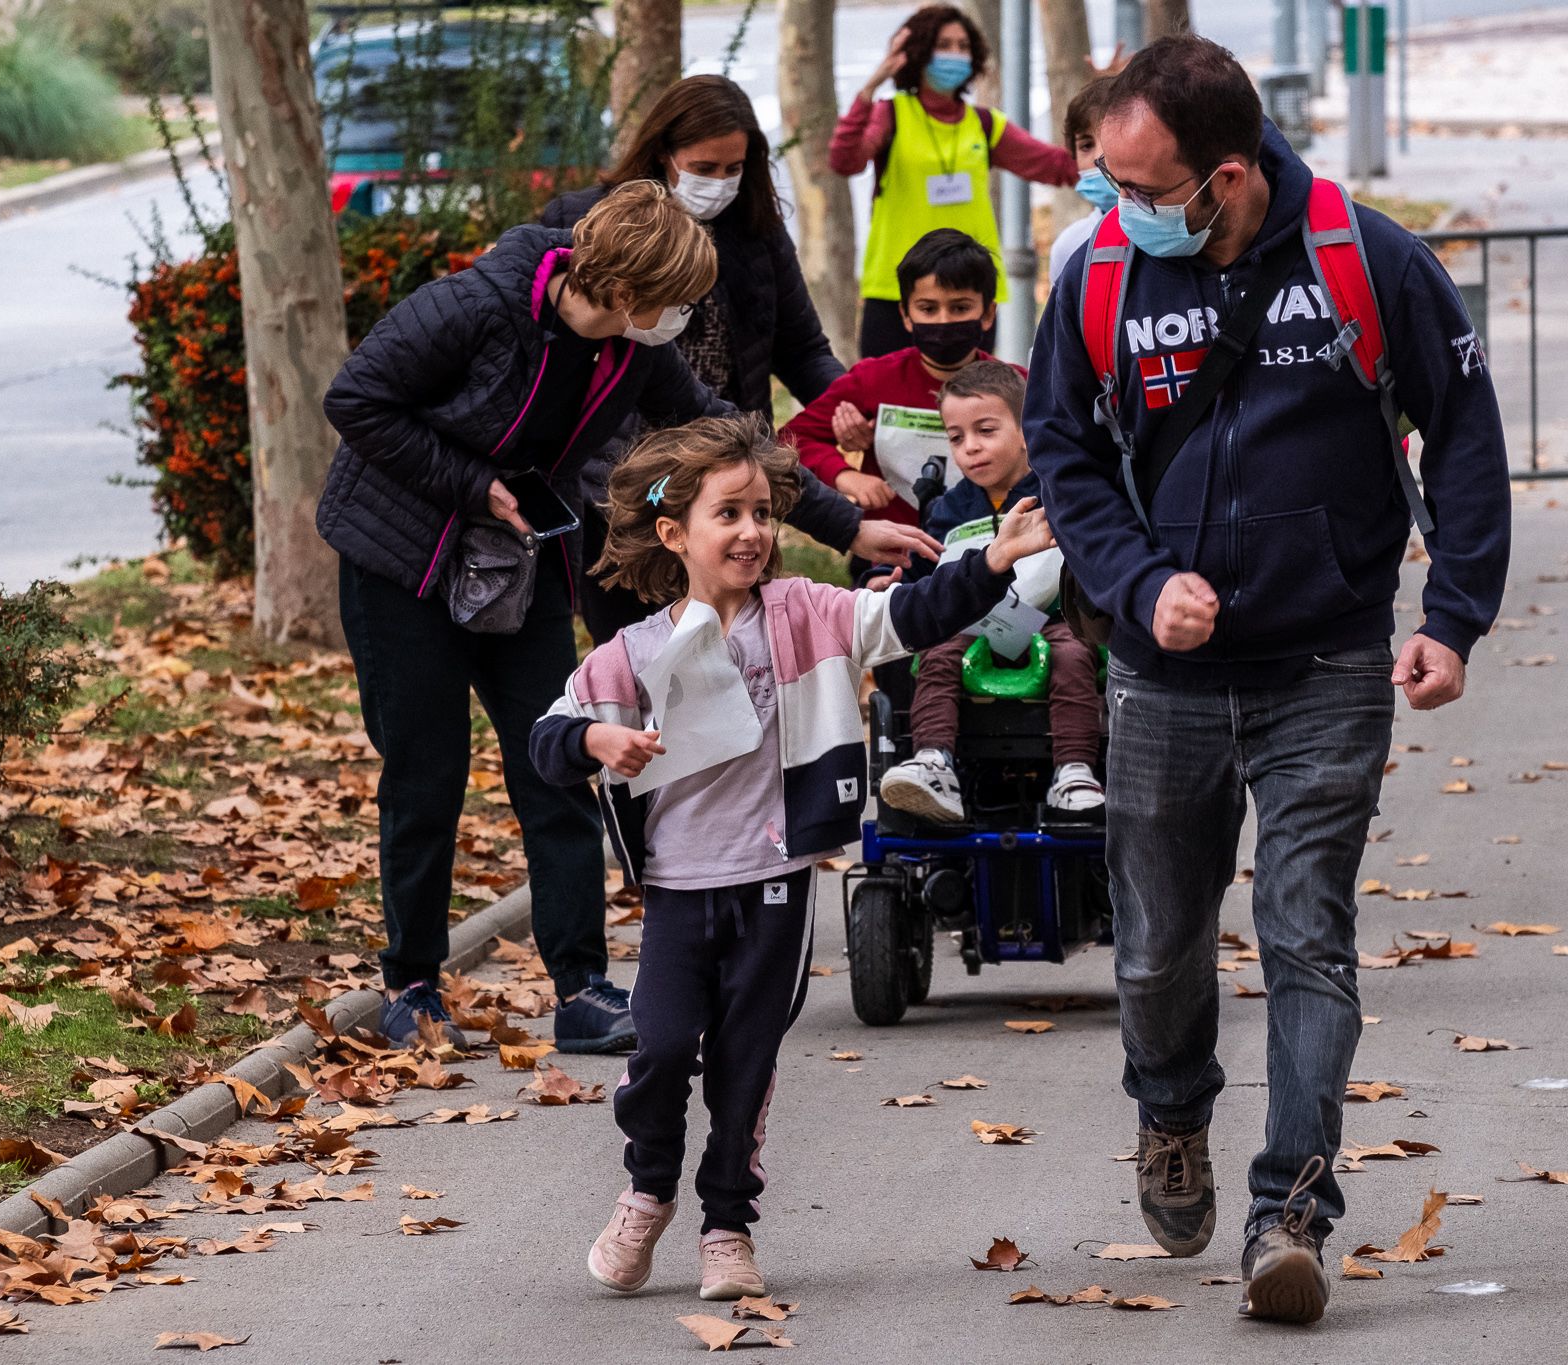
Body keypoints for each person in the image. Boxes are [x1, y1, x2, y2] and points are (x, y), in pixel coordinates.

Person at [1025, 37, 1511, 1324]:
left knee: (1306, 937)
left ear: (1225, 177)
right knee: (1155, 955)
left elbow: (1461, 434)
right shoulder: (1101, 275)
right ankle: (1170, 1110)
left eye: (1139, 183)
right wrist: (1135, 583)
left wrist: (1452, 616)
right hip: (1160, 680)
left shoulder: (1369, 259)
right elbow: (1060, 453)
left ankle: (1287, 1210)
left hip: (1325, 660)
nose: (1114, 205)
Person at [319, 183, 913, 1056]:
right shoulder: (476, 306)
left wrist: (846, 522)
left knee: (563, 758)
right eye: (674, 302)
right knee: (426, 775)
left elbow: (730, 437)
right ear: (628, 295)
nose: (682, 320)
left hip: (516, 565)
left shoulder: (632, 350)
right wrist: (474, 485)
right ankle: (411, 982)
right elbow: (356, 400)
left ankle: (582, 987)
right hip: (402, 562)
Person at [529, 415, 1050, 1300]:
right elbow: (547, 740)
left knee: (746, 1063)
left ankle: (727, 1224)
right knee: (657, 1050)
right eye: (728, 514)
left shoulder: (807, 615)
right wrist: (598, 740)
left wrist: (993, 564)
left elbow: (911, 614)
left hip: (773, 882)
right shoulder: (636, 650)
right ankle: (649, 1188)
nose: (752, 532)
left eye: (763, 513)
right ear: (673, 534)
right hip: (679, 892)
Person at [540, 74, 849, 645]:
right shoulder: (587, 220)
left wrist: (848, 403)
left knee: (736, 651)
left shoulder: (758, 233)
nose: (720, 183)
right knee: (640, 653)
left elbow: (803, 349)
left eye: (734, 169)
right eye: (705, 168)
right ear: (663, 152)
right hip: (624, 488)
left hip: (727, 475)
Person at [875, 361, 1105, 822]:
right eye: (957, 438)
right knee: (937, 653)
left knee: (1074, 657)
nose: (971, 448)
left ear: (1026, 430)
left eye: (985, 430)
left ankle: (1075, 771)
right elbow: (926, 575)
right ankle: (934, 761)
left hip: (1054, 619)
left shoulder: (1056, 491)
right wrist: (885, 582)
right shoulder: (947, 509)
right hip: (971, 624)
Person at [829, 4, 1076, 358]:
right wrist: (871, 85)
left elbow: (1060, 167)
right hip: (895, 289)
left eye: (963, 47)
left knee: (965, 403)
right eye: (944, 45)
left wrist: (1110, 106)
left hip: (969, 291)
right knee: (888, 407)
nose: (955, 55)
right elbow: (845, 160)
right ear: (916, 52)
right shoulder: (891, 114)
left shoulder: (984, 124)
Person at [781, 228, 1007, 532]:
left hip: (991, 554)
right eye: (928, 308)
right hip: (888, 556)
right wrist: (845, 475)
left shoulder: (1016, 387)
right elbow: (791, 439)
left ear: (988, 313)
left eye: (960, 307)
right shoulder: (873, 379)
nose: (943, 320)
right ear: (906, 315)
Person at [1047, 76, 1123, 287]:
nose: (1100, 157)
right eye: (1086, 145)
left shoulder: (1175, 236)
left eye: (1113, 138)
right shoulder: (1069, 246)